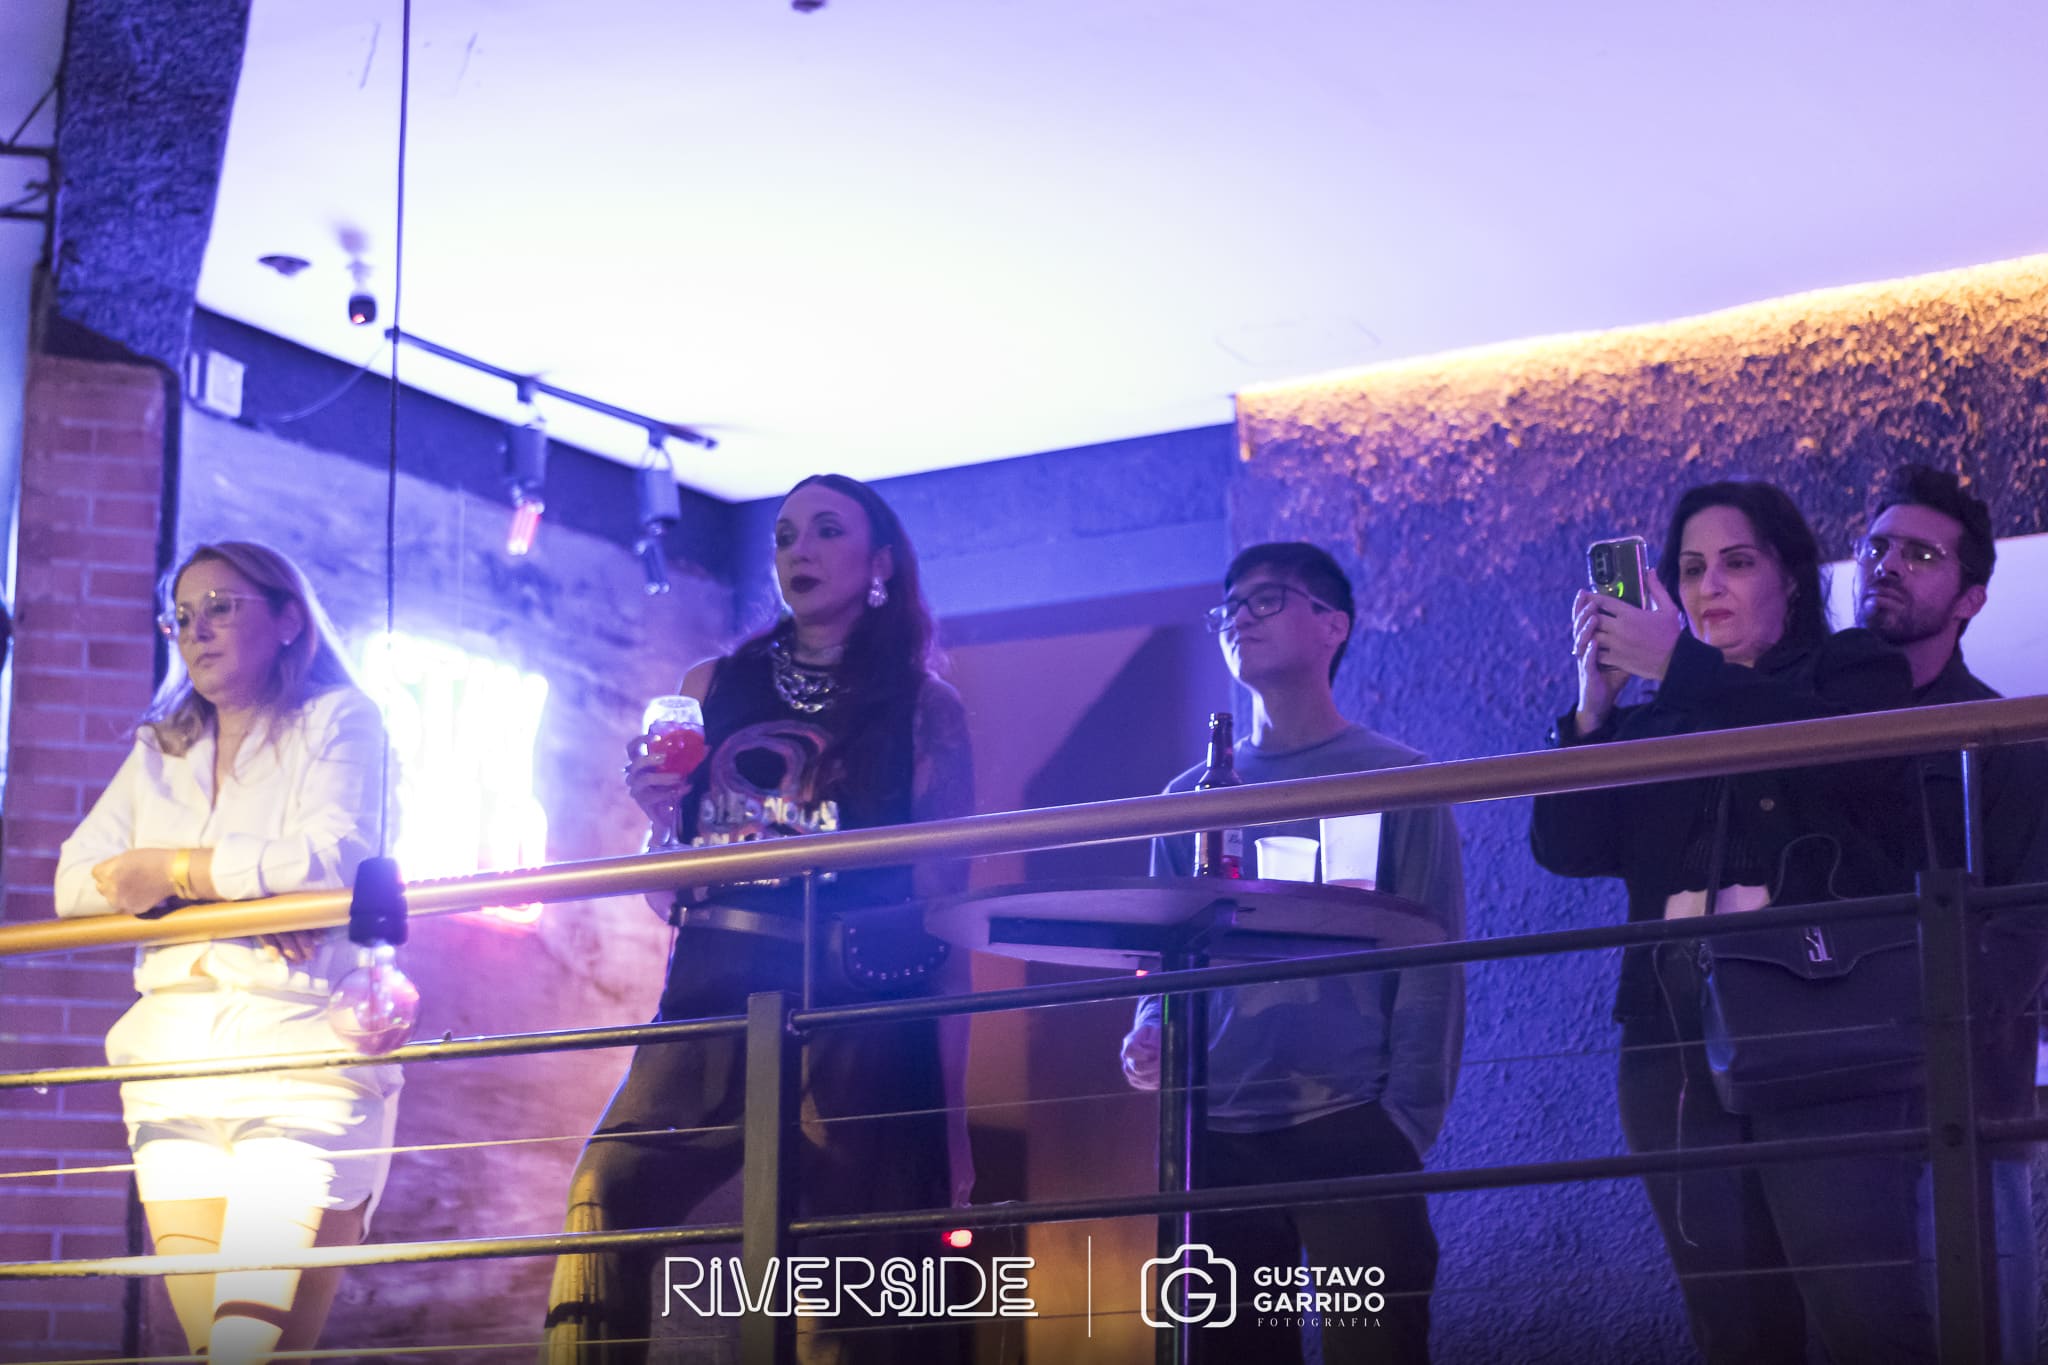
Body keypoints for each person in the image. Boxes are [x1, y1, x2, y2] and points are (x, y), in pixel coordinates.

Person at [542, 473, 974, 1365]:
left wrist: (955, 1113)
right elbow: (668, 896)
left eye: (825, 531)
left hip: (855, 1007)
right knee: (605, 1189)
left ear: (880, 563)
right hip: (711, 992)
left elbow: (943, 913)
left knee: (838, 1280)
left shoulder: (924, 707)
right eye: (783, 536)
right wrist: (661, 818)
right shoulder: (711, 684)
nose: (798, 551)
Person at [1530, 480, 1933, 1363]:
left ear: (1790, 578)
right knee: (1733, 1326)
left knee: (1865, 1314)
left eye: (1737, 562)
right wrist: (1593, 711)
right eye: (1690, 568)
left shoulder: (1851, 669)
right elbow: (1566, 846)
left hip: (1824, 1013)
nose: (1709, 585)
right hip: (1670, 1034)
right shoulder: (1657, 717)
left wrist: (1684, 668)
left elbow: (1851, 759)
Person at [1119, 542, 1465, 1364]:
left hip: (1355, 1121)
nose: (1241, 616)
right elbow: (1164, 960)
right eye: (1230, 606)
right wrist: (1149, 1028)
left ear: (1333, 625)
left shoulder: (1396, 777)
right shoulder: (1189, 798)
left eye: (1267, 598)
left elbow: (1432, 957)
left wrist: (1404, 1122)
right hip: (1217, 1132)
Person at [54, 541, 397, 1365]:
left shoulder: (341, 720)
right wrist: (242, 898)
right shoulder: (163, 748)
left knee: (243, 1345)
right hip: (171, 1064)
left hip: (298, 1059)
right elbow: (73, 883)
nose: (195, 630)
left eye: (220, 607)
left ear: (288, 618)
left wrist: (170, 872)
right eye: (181, 615)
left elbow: (337, 859)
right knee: (218, 1344)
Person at [1853, 463, 2048, 1364]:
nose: (1888, 564)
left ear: (1970, 598)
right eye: (1877, 545)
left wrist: (1932, 1017)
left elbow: (2028, 925)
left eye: (1920, 554)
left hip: (1965, 1104)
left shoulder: (2007, 738)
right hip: (1825, 1096)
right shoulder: (1808, 716)